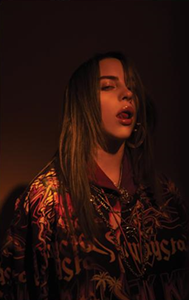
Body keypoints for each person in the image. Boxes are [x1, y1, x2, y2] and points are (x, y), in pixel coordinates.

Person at [0, 51, 188, 300]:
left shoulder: (164, 194)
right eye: (108, 86)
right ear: (83, 103)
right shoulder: (46, 201)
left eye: (131, 86)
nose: (127, 93)